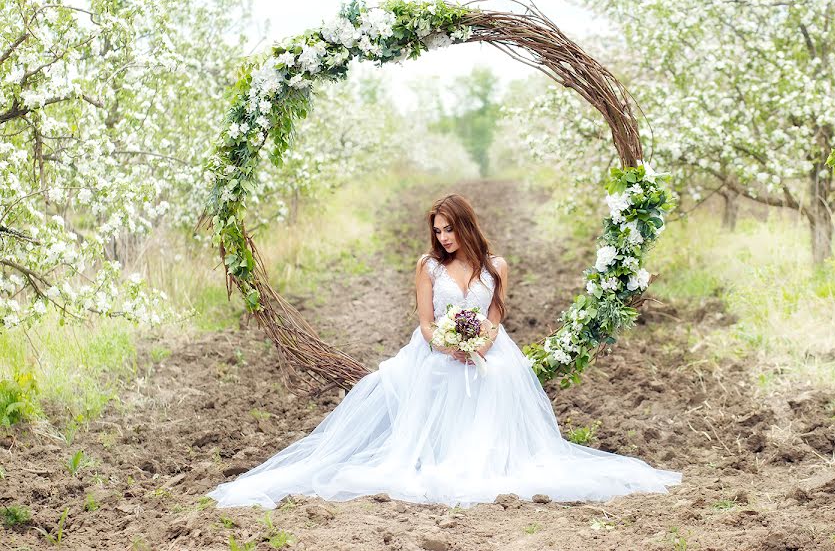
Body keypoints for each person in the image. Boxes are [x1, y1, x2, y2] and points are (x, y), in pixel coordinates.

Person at [207, 194, 681, 509]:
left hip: (488, 350)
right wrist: (448, 345)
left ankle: (487, 458)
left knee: (496, 379)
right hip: (437, 350)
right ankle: (432, 456)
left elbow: (495, 315)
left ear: (466, 226)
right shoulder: (428, 267)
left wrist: (484, 341)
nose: (443, 238)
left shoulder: (496, 266)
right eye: (437, 231)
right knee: (439, 377)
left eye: (449, 229)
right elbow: (426, 322)